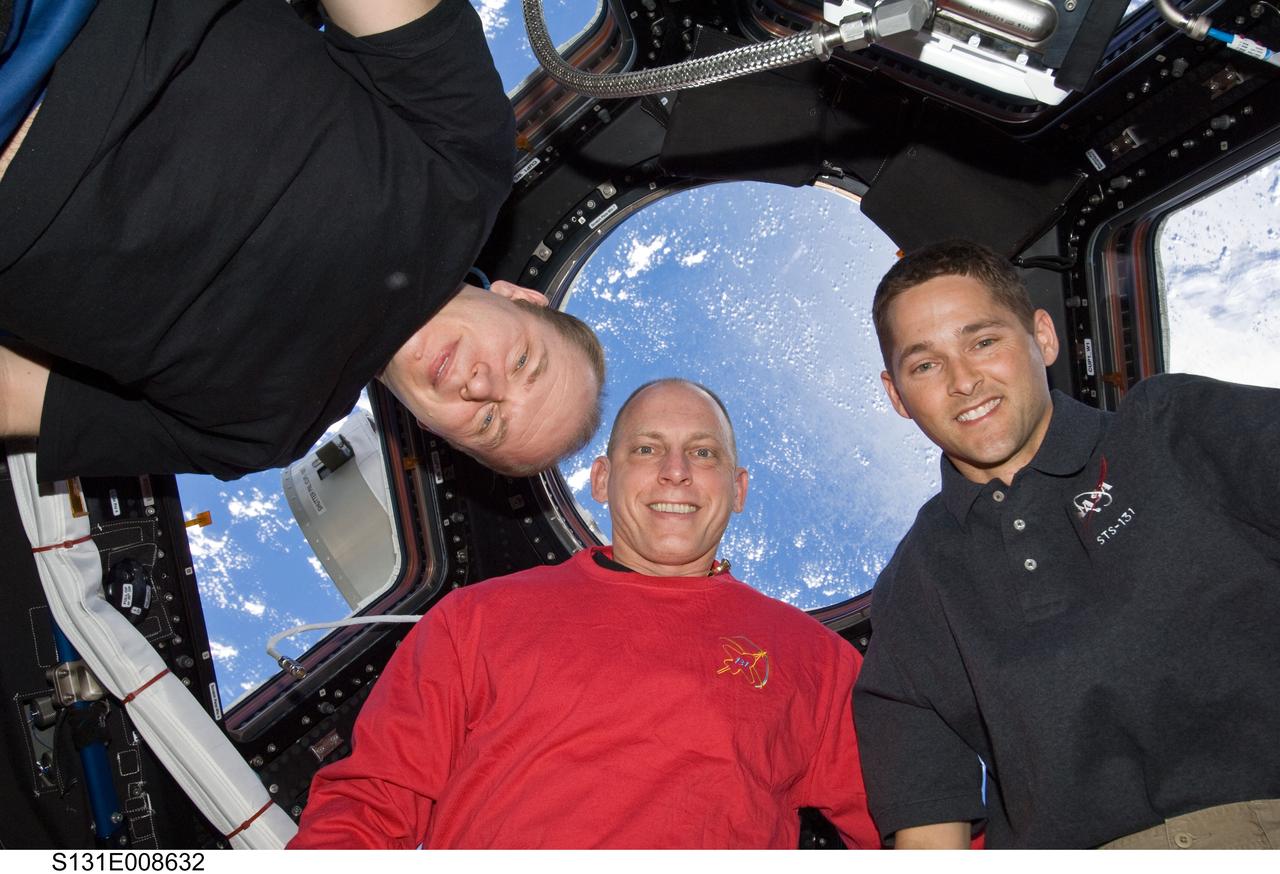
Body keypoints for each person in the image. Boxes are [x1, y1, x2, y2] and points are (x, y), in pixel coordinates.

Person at [0, 0, 603, 480]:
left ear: (437, 434)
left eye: (488, 423)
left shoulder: (258, 438)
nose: (481, 385)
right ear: (521, 299)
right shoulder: (467, 167)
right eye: (524, 362)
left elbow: (12, 398)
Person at [288, 378, 879, 849]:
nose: (676, 470)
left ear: (739, 488)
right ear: (602, 478)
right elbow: (371, 807)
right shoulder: (476, 619)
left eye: (703, 452)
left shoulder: (818, 663)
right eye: (647, 449)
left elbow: (918, 825)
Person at [853, 238, 1280, 848]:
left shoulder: (1170, 426)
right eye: (925, 364)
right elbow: (927, 823)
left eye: (983, 341)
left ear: (1043, 338)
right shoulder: (912, 583)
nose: (964, 381)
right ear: (896, 396)